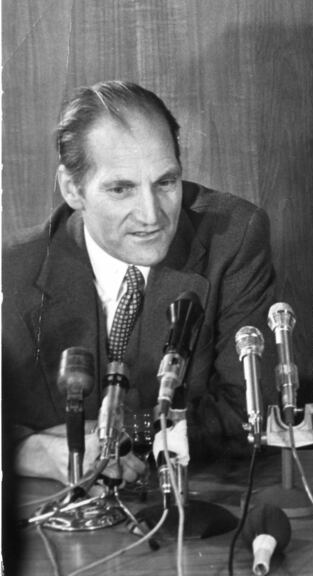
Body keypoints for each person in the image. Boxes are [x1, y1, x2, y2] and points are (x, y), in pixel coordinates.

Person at [2, 80, 277, 485]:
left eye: (166, 183)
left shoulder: (233, 238)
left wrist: (116, 437)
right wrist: (33, 451)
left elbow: (246, 415)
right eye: (121, 189)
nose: (151, 215)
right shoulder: (13, 270)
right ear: (72, 189)